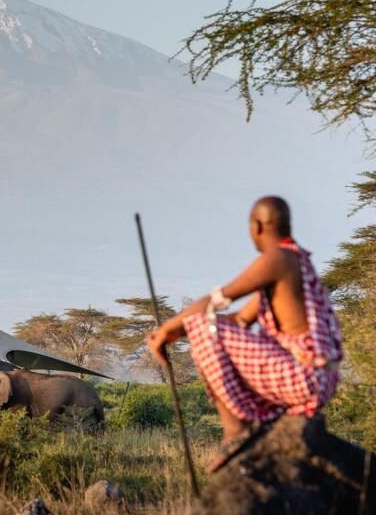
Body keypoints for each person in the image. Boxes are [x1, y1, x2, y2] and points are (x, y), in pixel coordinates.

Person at [146, 196, 343, 472]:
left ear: (258, 226)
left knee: (204, 326)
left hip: (305, 377)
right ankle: (254, 424)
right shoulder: (296, 262)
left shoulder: (278, 258)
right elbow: (239, 320)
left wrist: (167, 329)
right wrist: (178, 333)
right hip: (322, 378)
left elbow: (214, 303)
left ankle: (236, 431)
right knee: (207, 326)